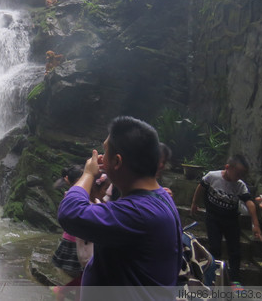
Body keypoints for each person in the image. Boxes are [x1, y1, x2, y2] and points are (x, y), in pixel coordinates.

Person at [58, 116, 182, 298]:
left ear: (117, 161)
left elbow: (70, 212)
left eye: (105, 152)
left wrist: (88, 174)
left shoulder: (139, 212)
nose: (101, 158)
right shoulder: (160, 197)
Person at [190, 154, 262, 282]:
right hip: (213, 218)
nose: (239, 177)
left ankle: (235, 280)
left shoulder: (240, 185)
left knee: (235, 251)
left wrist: (255, 224)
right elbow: (201, 187)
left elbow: (250, 203)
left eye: (242, 174)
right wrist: (194, 203)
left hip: (231, 221)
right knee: (215, 248)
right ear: (228, 167)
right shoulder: (212, 176)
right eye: (238, 173)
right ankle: (214, 277)